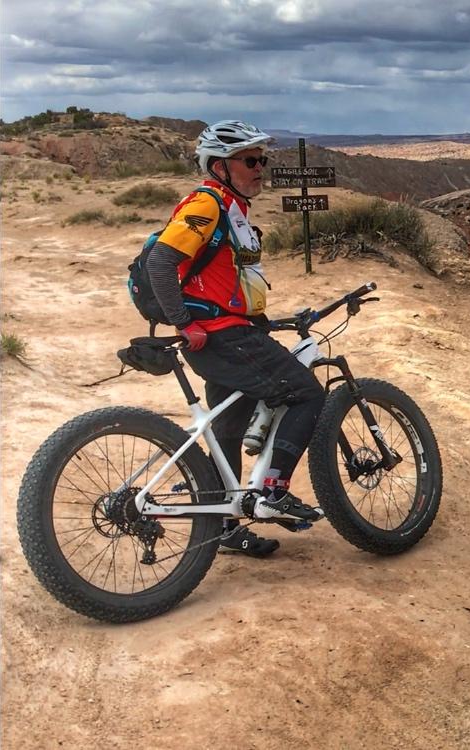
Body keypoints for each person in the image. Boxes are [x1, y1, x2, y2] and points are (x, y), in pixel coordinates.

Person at [147, 120, 324, 557]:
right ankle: (273, 491)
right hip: (219, 337)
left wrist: (258, 319)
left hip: (228, 332)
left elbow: (225, 279)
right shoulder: (207, 204)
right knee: (306, 393)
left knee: (228, 424)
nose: (260, 167)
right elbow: (160, 263)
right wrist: (184, 323)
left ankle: (223, 525)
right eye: (250, 160)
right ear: (220, 166)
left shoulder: (231, 208)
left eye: (262, 158)